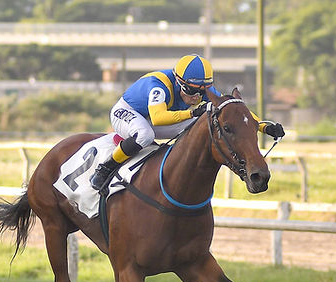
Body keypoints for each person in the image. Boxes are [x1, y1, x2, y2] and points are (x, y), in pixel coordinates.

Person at [89, 53, 285, 191]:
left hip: (156, 118)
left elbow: (234, 110)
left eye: (202, 92)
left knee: (204, 123)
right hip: (128, 113)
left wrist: (264, 126)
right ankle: (105, 167)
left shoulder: (200, 88)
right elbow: (157, 118)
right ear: (178, 81)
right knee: (145, 135)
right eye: (192, 91)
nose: (197, 97)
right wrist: (191, 114)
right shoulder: (159, 86)